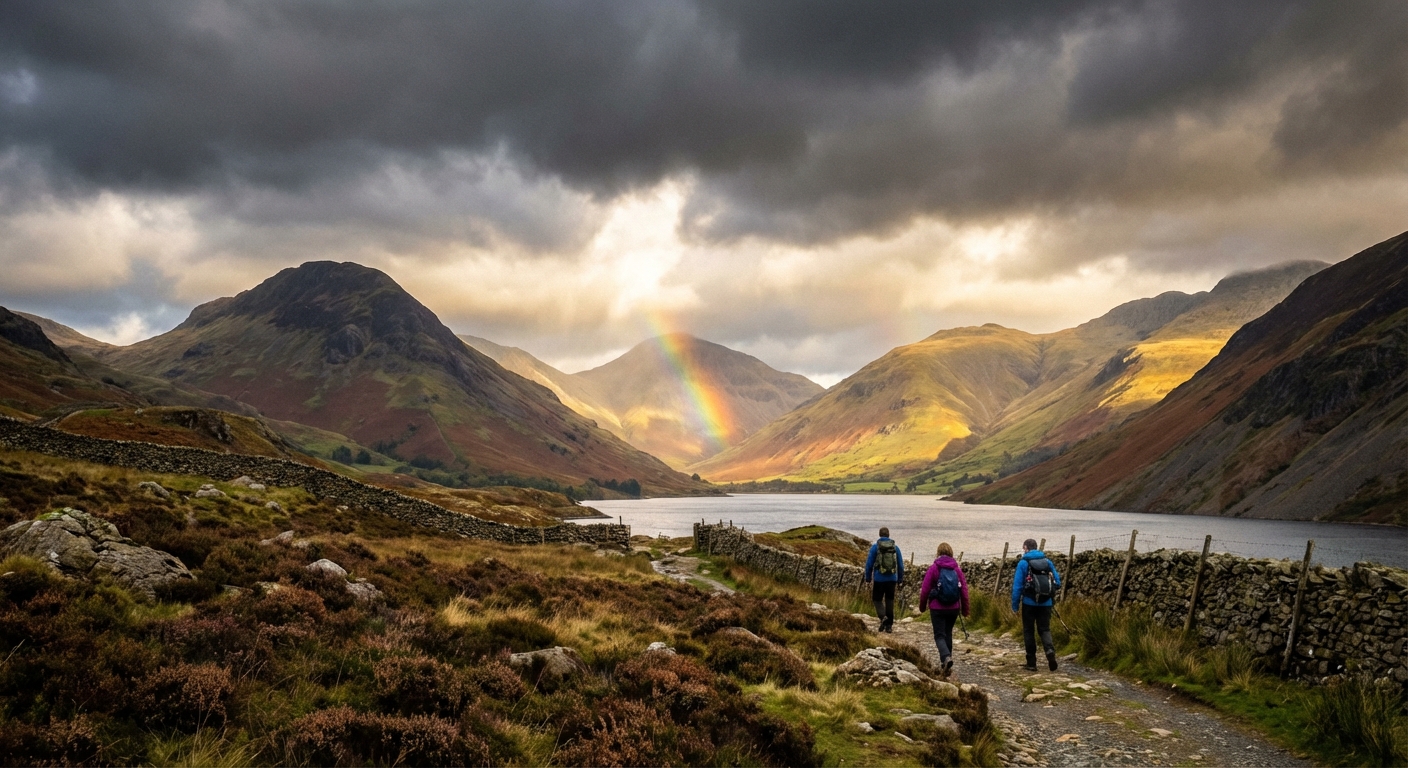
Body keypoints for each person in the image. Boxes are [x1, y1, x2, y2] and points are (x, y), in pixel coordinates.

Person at [1011, 537, 1062, 671]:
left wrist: (1015, 606)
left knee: (1029, 631)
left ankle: (1032, 663)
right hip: (1046, 603)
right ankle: (1050, 651)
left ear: (1026, 548)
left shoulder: (1023, 563)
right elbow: (1058, 582)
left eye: (1024, 548)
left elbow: (1017, 586)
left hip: (1029, 602)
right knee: (1044, 629)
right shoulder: (1047, 561)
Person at [919, 542, 969, 676]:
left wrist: (922, 606)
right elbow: (964, 590)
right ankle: (946, 663)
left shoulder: (934, 568)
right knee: (948, 633)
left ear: (938, 553)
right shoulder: (957, 569)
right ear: (951, 553)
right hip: (954, 607)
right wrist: (965, 610)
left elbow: (925, 590)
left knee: (939, 635)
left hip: (937, 608)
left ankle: (946, 657)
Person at [863, 526, 904, 633]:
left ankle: (883, 617)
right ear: (888, 534)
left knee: (877, 600)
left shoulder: (875, 547)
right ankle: (889, 626)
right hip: (892, 579)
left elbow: (869, 564)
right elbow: (900, 565)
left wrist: (867, 578)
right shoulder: (895, 547)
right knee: (889, 601)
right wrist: (900, 579)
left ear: (880, 535)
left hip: (879, 579)